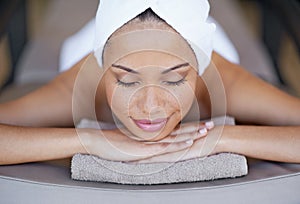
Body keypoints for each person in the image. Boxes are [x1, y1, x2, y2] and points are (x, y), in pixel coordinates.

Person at [0, 0, 299, 165]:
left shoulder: (223, 81)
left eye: (174, 79)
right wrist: (90, 141)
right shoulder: (86, 84)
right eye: (126, 81)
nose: (150, 107)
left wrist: (218, 138)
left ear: (196, 73)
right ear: (108, 71)